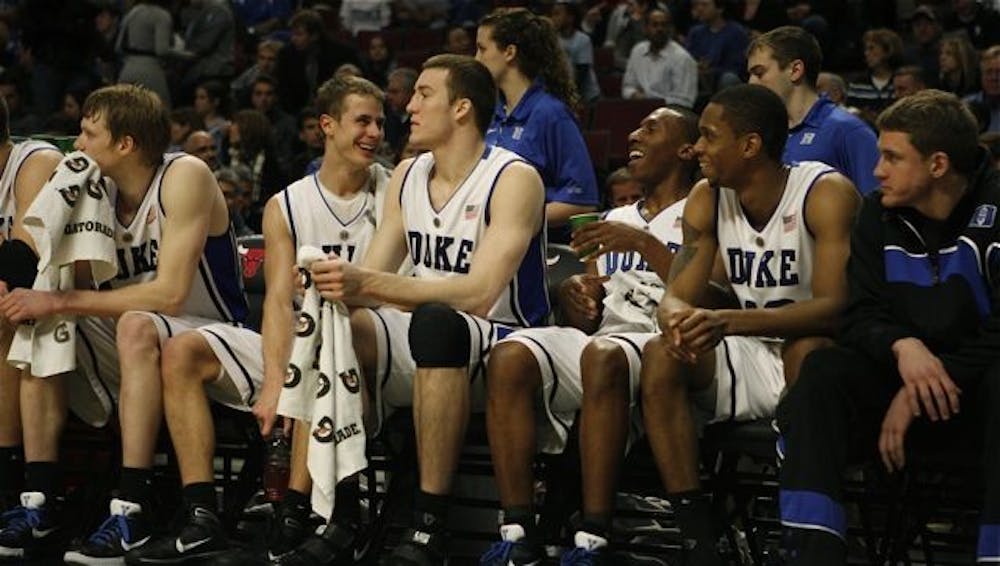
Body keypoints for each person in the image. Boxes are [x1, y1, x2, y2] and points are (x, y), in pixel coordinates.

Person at [128, 75, 391, 565]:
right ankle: (202, 516)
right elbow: (274, 303)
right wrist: (274, 381)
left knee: (325, 341)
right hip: (292, 339)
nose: (374, 132)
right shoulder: (285, 204)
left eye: (379, 121)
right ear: (327, 126)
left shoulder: (394, 192)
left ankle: (300, 514)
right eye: (363, 121)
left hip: (367, 345)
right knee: (184, 351)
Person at [307, 54, 548, 566]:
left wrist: (365, 281)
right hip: (424, 332)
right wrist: (325, 284)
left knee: (438, 322)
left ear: (462, 109)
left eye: (422, 95)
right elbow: (371, 282)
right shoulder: (409, 174)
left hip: (504, 339)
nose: (408, 107)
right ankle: (341, 510)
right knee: (340, 324)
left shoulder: (513, 177)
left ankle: (427, 528)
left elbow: (480, 293)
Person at [0, 84, 248, 564]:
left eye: (89, 133)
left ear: (125, 144)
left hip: (215, 338)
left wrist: (59, 299)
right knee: (37, 319)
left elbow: (171, 294)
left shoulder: (185, 175)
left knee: (121, 319)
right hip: (141, 344)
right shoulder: (97, 191)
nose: (77, 143)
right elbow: (53, 268)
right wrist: (45, 296)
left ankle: (130, 506)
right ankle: (38, 499)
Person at [777, 88, 1000, 565]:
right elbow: (860, 314)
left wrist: (918, 388)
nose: (876, 171)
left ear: (937, 165)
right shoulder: (877, 213)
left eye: (892, 157)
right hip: (903, 381)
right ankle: (812, 552)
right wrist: (902, 345)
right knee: (822, 373)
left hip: (978, 397)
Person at [640, 84, 859, 564]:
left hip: (822, 360)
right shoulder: (708, 197)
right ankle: (697, 531)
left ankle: (802, 521)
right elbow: (677, 295)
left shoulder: (824, 193)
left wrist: (728, 321)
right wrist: (677, 322)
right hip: (751, 351)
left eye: (708, 136)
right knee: (660, 352)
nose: (696, 148)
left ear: (750, 145)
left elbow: (834, 308)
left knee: (809, 348)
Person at [480, 105, 699, 565]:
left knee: (603, 353)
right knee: (510, 354)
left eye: (650, 129)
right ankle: (518, 531)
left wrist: (644, 245)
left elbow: (709, 293)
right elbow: (592, 307)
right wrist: (573, 294)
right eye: (636, 128)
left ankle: (591, 538)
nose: (634, 134)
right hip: (608, 342)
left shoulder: (703, 210)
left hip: (664, 345)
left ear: (685, 150)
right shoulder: (615, 215)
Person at [476, 7, 600, 244]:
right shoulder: (490, 112)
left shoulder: (551, 114)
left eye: (482, 49)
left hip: (539, 250)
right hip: (491, 243)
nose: (476, 59)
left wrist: (514, 220)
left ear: (510, 52)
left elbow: (582, 202)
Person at [0, 99, 64, 511]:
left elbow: (24, 257)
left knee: (5, 306)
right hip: (35, 312)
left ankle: (6, 478)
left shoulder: (37, 160)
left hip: (73, 314)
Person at [747, 25, 880, 194]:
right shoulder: (762, 135)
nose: (751, 83)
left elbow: (875, 205)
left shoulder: (848, 131)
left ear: (795, 70)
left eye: (759, 73)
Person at [621, 8, 698, 109]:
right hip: (637, 110)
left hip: (669, 116)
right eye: (655, 25)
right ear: (645, 28)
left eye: (664, 25)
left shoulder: (682, 58)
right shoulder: (637, 51)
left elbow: (685, 101)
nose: (660, 29)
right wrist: (634, 95)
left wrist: (649, 101)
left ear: (671, 29)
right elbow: (627, 87)